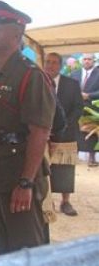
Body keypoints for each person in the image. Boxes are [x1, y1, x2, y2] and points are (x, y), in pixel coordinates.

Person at [0, 0, 55, 256]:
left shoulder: (30, 75)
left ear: (17, 33)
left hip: (19, 172)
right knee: (1, 250)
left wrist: (26, 183)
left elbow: (40, 132)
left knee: (27, 250)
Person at [44, 52, 83, 216]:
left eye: (54, 62)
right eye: (48, 62)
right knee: (44, 169)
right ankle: (47, 202)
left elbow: (78, 107)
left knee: (65, 168)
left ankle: (65, 202)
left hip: (66, 134)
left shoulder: (72, 84)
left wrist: (64, 126)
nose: (50, 65)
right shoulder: (39, 82)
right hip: (43, 135)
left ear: (60, 65)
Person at [70, 53, 99, 167]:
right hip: (76, 108)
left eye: (89, 59)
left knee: (91, 132)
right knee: (75, 131)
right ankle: (74, 156)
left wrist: (89, 95)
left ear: (94, 61)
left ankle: (92, 157)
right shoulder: (74, 74)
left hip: (93, 109)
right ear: (82, 61)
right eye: (85, 59)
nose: (87, 61)